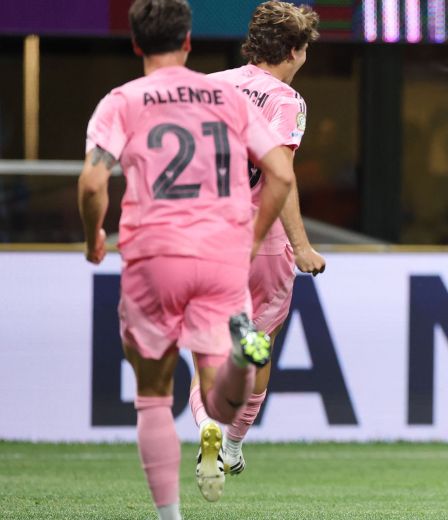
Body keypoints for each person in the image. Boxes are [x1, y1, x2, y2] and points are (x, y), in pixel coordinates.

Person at [77, 0, 295, 518]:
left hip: (153, 253)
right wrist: (251, 236)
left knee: (154, 395)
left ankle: (169, 516)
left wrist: (93, 240)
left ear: (135, 44)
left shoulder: (122, 101)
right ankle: (245, 356)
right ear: (189, 41)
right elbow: (282, 175)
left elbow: (91, 183)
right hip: (221, 254)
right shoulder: (225, 97)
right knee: (219, 394)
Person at [186, 0, 326, 487]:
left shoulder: (207, 87)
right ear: (293, 49)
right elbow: (279, 176)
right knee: (256, 345)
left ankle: (205, 425)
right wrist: (303, 246)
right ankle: (232, 443)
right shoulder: (286, 100)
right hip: (259, 239)